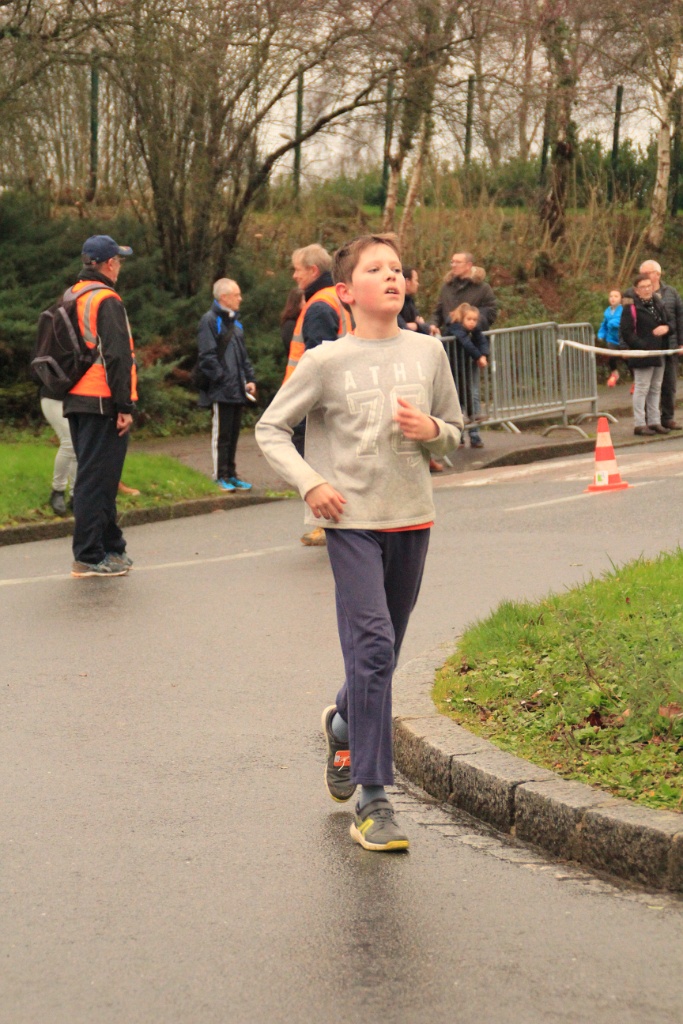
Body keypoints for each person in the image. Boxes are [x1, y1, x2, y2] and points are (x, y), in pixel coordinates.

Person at [256, 234, 463, 852]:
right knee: (373, 645)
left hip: (412, 519)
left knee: (383, 653)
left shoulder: (429, 352)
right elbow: (270, 429)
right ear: (346, 291)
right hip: (350, 522)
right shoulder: (325, 362)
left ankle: (345, 721)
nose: (392, 277)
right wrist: (311, 482)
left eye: (397, 268)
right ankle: (374, 800)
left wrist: (432, 429)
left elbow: (455, 432)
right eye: (376, 270)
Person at [64, 234, 137, 577]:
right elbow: (117, 356)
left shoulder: (73, 295)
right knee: (96, 480)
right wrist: (124, 405)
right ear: (109, 264)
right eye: (118, 260)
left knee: (100, 477)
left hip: (76, 398)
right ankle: (89, 556)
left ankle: (112, 546)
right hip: (101, 399)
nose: (119, 266)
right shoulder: (106, 299)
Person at [285, 243, 353, 545]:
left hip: (314, 401)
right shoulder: (335, 297)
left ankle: (326, 524)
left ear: (313, 270)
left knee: (316, 463)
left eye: (297, 270)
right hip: (337, 393)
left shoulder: (318, 305)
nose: (294, 276)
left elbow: (317, 358)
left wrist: (309, 401)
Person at [196, 279, 256, 492]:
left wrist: (250, 379)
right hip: (221, 390)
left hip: (237, 389)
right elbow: (207, 356)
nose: (240, 298)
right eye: (236, 295)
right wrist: (222, 378)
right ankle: (219, 475)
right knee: (221, 435)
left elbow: (243, 356)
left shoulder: (236, 323)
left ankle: (231, 474)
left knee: (233, 435)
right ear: (224, 297)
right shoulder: (210, 320)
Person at [619, 273, 674, 436]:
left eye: (649, 286)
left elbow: (671, 322)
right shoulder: (630, 307)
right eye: (643, 287)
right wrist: (642, 347)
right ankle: (639, 423)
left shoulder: (658, 302)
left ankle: (654, 421)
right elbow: (627, 332)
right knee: (642, 388)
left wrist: (667, 328)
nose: (647, 289)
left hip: (659, 351)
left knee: (656, 387)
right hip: (642, 354)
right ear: (636, 290)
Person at [639, 260, 683, 429]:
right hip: (647, 347)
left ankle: (668, 418)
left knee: (669, 384)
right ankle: (649, 420)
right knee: (647, 385)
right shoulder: (634, 294)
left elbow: (679, 318)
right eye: (642, 273)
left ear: (657, 274)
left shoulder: (671, 293)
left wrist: (681, 343)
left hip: (669, 346)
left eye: (647, 273)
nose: (644, 276)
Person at [441, 303, 489, 449]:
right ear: (462, 319)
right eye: (469, 319)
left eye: (475, 320)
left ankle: (472, 418)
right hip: (451, 365)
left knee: (466, 392)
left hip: (462, 365)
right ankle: (458, 435)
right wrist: (478, 356)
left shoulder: (472, 328)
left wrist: (483, 354)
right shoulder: (455, 327)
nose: (472, 323)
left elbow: (481, 339)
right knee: (456, 397)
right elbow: (466, 343)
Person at [429, 251, 497, 334]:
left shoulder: (483, 288)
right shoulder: (446, 287)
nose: (453, 265)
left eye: (458, 262)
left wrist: (469, 323)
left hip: (473, 339)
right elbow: (438, 312)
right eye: (452, 262)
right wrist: (433, 324)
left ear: (469, 265)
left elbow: (491, 313)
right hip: (449, 338)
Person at [39, 391, 77, 516]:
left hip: (79, 399)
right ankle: (58, 491)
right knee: (69, 442)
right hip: (54, 397)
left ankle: (76, 495)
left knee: (78, 445)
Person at [597, 288, 629, 388]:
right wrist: (601, 334)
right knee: (611, 357)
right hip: (611, 339)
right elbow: (604, 324)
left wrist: (612, 323)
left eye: (616, 296)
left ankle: (636, 380)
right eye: (611, 296)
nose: (613, 298)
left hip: (623, 340)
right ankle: (614, 374)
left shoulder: (623, 310)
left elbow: (623, 322)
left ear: (621, 299)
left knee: (627, 360)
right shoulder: (607, 311)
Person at [398, 266, 430, 334]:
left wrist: (417, 326)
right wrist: (419, 325)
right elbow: (403, 328)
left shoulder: (410, 301)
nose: (417, 284)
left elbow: (426, 328)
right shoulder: (396, 303)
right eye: (416, 280)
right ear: (407, 282)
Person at [280, 287, 304, 362]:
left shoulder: (298, 322)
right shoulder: (290, 325)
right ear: (297, 303)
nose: (306, 303)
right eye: (304, 300)